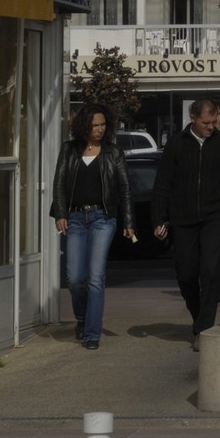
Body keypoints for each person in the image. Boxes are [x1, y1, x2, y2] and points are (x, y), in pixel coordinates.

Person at [151, 97, 220, 351]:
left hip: (215, 218)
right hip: (183, 220)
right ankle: (199, 318)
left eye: (214, 121)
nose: (211, 126)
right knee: (186, 274)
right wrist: (159, 219)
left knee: (211, 272)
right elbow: (162, 185)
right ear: (192, 119)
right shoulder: (175, 145)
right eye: (206, 122)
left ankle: (204, 329)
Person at [51, 104, 135, 351]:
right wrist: (60, 213)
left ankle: (91, 333)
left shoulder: (113, 153)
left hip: (102, 218)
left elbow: (125, 189)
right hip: (75, 219)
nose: (99, 130)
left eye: (102, 125)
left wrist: (129, 222)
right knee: (75, 278)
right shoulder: (69, 150)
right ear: (84, 126)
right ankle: (81, 318)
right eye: (94, 125)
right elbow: (59, 183)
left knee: (96, 277)